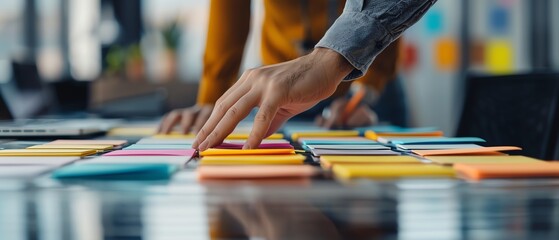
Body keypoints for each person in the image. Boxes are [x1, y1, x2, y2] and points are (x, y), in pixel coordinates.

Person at [189, 0, 437, 151]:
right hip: (280, 91)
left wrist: (368, 89)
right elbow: (229, 14)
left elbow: (388, 9)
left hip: (368, 84)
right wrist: (212, 101)